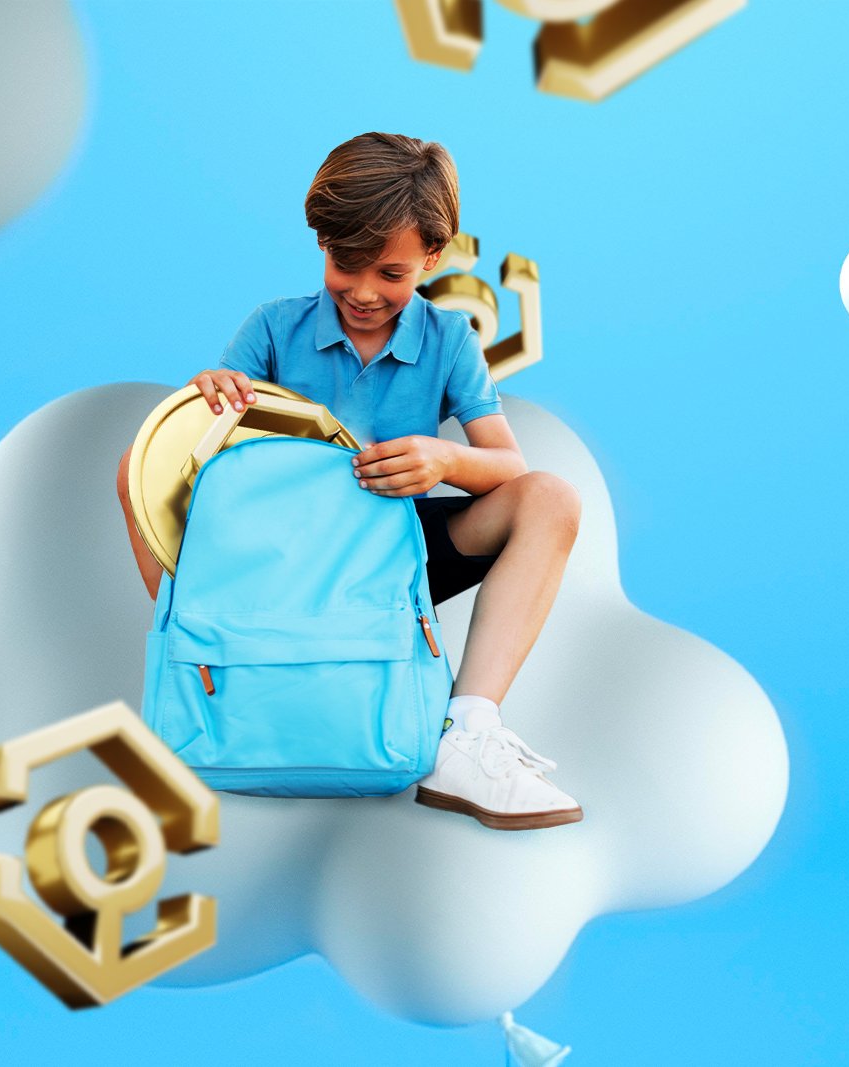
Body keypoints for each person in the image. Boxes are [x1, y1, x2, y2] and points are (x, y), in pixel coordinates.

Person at [115, 132, 582, 830]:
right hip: (281, 557)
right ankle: (204, 658)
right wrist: (205, 394)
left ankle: (469, 732)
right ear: (321, 242)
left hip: (397, 550)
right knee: (133, 465)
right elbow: (190, 455)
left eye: (391, 274)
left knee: (551, 497)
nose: (364, 292)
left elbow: (509, 466)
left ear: (432, 258)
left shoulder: (450, 339)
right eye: (345, 263)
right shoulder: (273, 327)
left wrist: (445, 459)